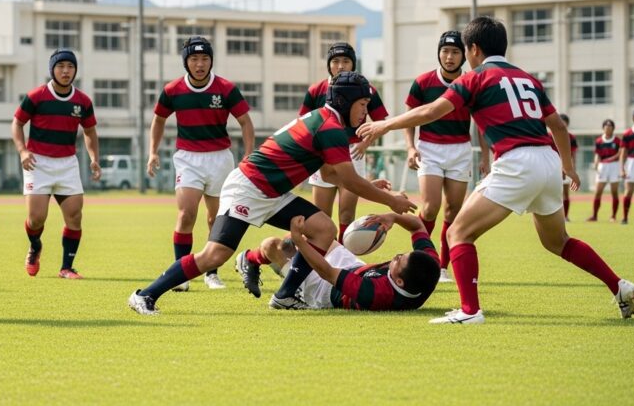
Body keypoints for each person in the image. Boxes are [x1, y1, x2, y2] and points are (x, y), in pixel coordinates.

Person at [361, 16, 634, 324]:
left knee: (458, 232)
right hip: (547, 161)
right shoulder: (528, 79)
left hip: (517, 162)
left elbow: (430, 111)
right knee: (557, 241)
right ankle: (619, 286)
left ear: (473, 49)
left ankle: (469, 311)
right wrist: (568, 168)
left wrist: (385, 124)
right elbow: (558, 126)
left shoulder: (474, 78)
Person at [127, 72, 417, 315]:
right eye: (363, 103)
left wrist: (370, 184)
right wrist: (392, 201)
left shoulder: (327, 121)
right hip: (249, 187)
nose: (365, 111)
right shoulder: (329, 128)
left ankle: (286, 294)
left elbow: (331, 174)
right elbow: (347, 179)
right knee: (214, 255)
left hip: (270, 191)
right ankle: (145, 294)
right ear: (344, 101)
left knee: (323, 228)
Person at [147, 36, 254, 291]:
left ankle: (211, 273)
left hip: (220, 158)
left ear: (211, 61)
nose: (199, 64)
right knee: (186, 215)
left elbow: (246, 123)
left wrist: (248, 156)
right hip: (188, 158)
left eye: (205, 59)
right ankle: (179, 275)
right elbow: (158, 119)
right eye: (194, 59)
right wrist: (153, 152)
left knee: (215, 219)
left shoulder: (226, 88)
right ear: (186, 62)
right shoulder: (173, 90)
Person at [403, 31, 490, 282]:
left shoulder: (472, 81)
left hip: (460, 150)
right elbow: (410, 117)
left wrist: (485, 156)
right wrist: (410, 147)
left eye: (454, 52)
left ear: (463, 56)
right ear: (438, 53)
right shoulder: (422, 82)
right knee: (430, 207)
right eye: (445, 51)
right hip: (429, 149)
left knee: (453, 211)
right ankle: (422, 257)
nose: (449, 57)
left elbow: (481, 123)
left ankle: (441, 267)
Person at [14, 49, 101, 279]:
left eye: (70, 67)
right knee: (36, 219)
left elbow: (90, 131)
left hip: (67, 164)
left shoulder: (82, 101)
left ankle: (66, 268)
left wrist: (94, 159)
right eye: (61, 66)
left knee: (74, 216)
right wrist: (22, 151)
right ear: (52, 69)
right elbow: (17, 123)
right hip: (37, 163)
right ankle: (35, 246)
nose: (65, 71)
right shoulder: (36, 96)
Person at [244, 212, 440, 311]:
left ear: (399, 282)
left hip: (325, 290)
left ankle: (250, 259)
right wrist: (393, 217)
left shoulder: (377, 294)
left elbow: (326, 272)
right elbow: (417, 226)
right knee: (320, 233)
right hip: (354, 267)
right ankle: (259, 257)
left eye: (399, 260)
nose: (396, 256)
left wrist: (298, 241)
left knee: (271, 245)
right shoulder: (428, 266)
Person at [299, 42, 386, 240]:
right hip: (322, 155)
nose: (340, 66)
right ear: (329, 64)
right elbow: (304, 123)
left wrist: (365, 143)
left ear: (353, 64)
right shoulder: (316, 90)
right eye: (335, 61)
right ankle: (318, 261)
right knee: (320, 216)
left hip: (353, 152)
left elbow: (381, 122)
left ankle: (343, 261)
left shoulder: (367, 89)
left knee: (347, 214)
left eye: (346, 61)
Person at [585, 119, 622, 222]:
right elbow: (597, 154)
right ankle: (594, 216)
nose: (608, 128)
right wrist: (596, 162)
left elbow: (620, 153)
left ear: (613, 129)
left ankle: (613, 216)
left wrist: (611, 158)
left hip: (614, 166)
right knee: (598, 192)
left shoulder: (617, 141)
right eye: (606, 127)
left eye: (610, 127)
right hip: (603, 167)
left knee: (614, 192)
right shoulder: (599, 141)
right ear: (603, 128)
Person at [549, 113, 578, 222]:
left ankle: (565, 216)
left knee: (565, 193)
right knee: (553, 193)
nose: (563, 123)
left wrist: (571, 168)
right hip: (553, 166)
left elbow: (573, 154)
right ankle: (555, 217)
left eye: (564, 122)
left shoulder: (571, 137)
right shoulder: (549, 136)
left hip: (566, 165)